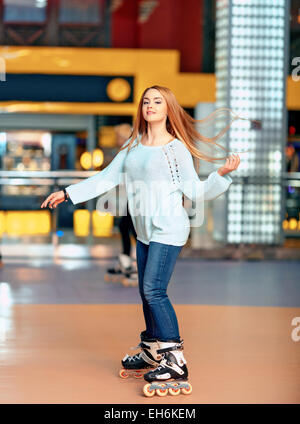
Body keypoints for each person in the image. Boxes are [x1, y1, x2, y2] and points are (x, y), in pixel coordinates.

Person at [41, 85, 240, 395]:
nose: (150, 105)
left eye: (157, 101)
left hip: (169, 229)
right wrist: (68, 193)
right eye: (146, 101)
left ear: (168, 108)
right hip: (144, 230)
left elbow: (196, 192)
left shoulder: (175, 150)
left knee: (154, 290)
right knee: (145, 291)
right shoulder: (133, 146)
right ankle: (151, 349)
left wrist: (221, 176)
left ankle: (174, 359)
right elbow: (106, 177)